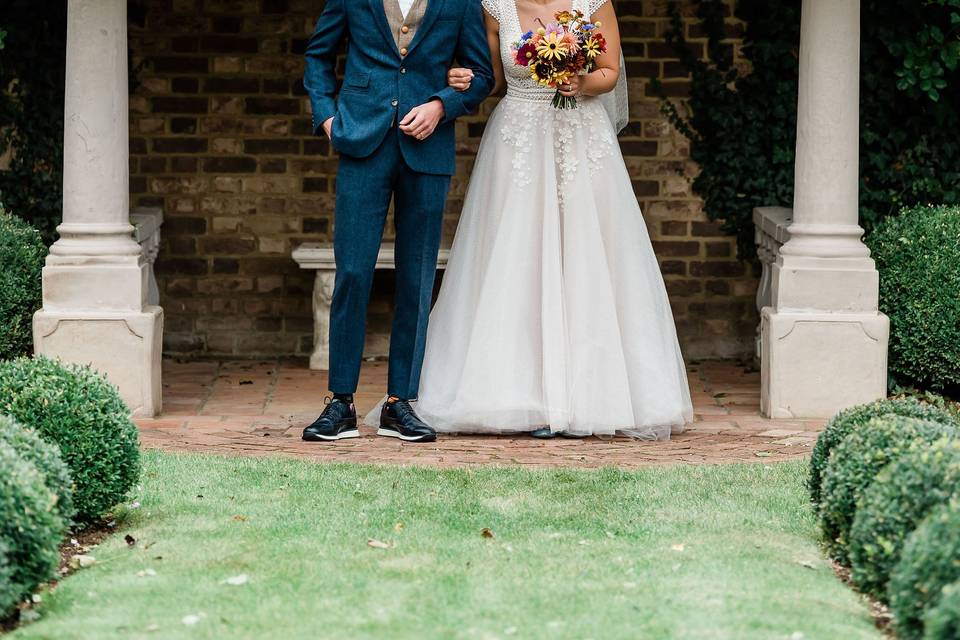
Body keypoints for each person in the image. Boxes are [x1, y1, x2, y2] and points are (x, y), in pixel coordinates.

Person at [410, 0, 694, 439]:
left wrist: (578, 81)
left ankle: (590, 396)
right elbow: (492, 79)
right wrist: (460, 78)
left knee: (585, 252)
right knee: (516, 257)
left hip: (581, 138)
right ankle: (518, 396)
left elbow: (610, 72)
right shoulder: (495, 7)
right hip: (518, 138)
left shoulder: (593, 3)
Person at [301, 0, 494, 443]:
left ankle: (399, 403)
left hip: (427, 151)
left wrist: (442, 105)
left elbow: (481, 76)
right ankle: (340, 402)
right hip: (360, 143)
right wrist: (327, 118)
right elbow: (317, 55)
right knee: (351, 272)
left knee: (417, 277)